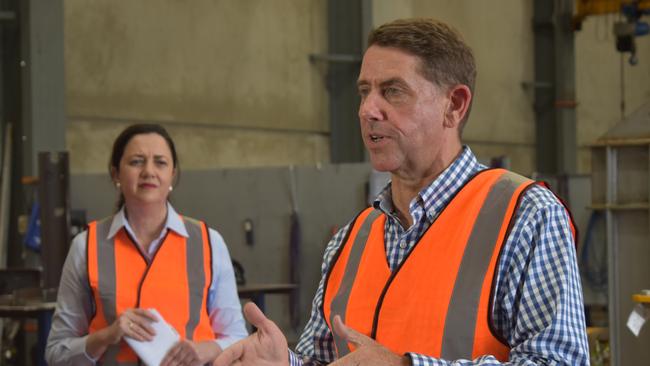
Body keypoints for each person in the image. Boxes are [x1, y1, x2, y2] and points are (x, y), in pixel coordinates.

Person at [214, 18, 589, 366]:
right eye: (364, 91)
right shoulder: (351, 240)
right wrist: (285, 362)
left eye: (392, 91)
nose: (367, 110)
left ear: (454, 106)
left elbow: (559, 361)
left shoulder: (525, 216)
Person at [46, 124, 248, 365]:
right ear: (115, 173)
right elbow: (56, 352)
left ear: (173, 174)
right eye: (136, 161)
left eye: (160, 162)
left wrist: (203, 350)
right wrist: (106, 336)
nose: (149, 171)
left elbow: (237, 338)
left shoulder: (209, 242)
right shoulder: (85, 246)